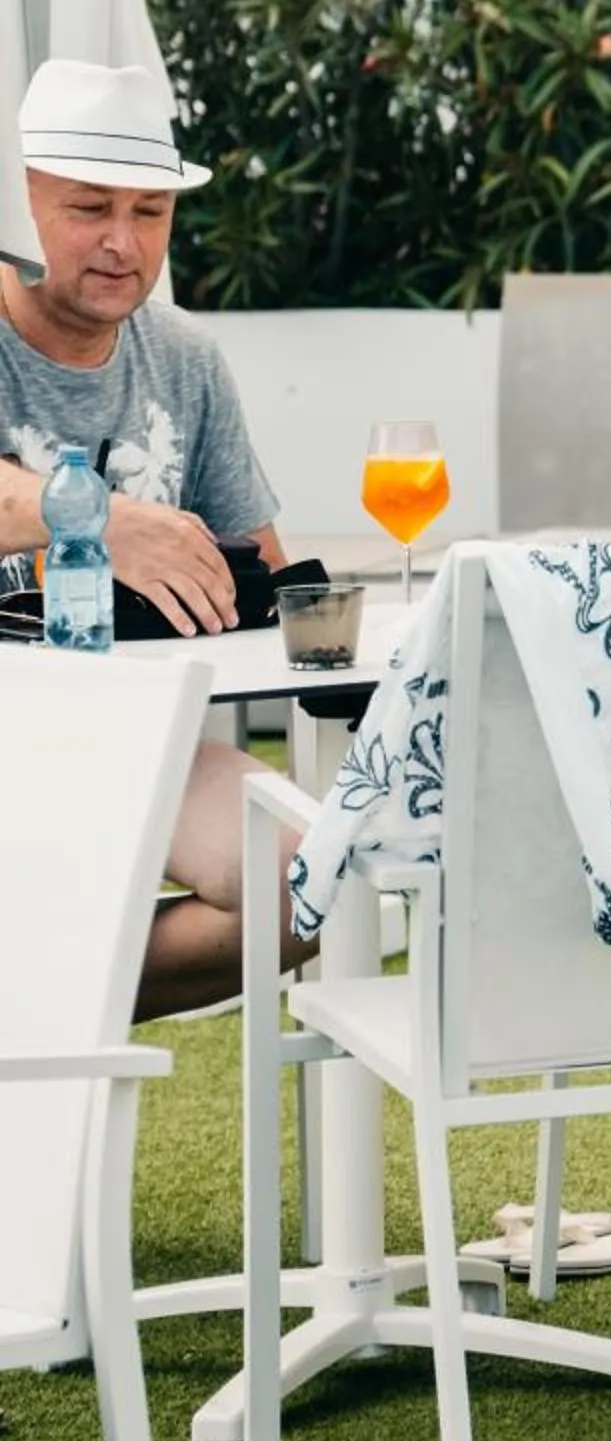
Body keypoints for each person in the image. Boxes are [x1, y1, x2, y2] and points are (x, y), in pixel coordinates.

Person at [0, 58, 304, 1020]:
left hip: (140, 746)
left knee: (308, 879)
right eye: (90, 208)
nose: (124, 244)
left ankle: (42, 1000)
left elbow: (264, 578)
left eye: (151, 213)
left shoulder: (185, 360)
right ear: (18, 204)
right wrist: (94, 516)